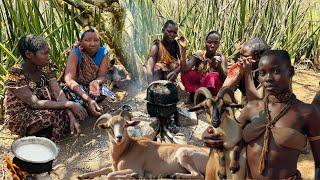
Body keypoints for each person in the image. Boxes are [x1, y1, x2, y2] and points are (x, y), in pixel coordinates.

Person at [203, 50, 320, 179]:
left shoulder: (307, 112)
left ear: (291, 71)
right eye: (262, 73)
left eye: (276, 71)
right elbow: (230, 136)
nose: (268, 78)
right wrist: (208, 136)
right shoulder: (251, 108)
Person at [4, 34, 87, 141]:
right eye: (45, 53)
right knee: (52, 115)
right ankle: (36, 135)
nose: (49, 56)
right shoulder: (15, 73)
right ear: (29, 54)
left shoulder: (45, 66)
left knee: (69, 100)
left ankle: (49, 130)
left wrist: (70, 113)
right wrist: (70, 105)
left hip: (43, 106)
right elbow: (35, 103)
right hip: (22, 115)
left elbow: (57, 92)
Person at [63, 26, 112, 117]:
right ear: (81, 42)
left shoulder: (103, 52)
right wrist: (87, 98)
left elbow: (102, 76)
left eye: (96, 40)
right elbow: (69, 80)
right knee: (69, 93)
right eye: (88, 40)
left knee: (107, 91)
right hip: (78, 89)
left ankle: (90, 105)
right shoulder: (75, 53)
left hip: (92, 87)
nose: (92, 44)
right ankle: (89, 105)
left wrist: (96, 82)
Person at [180, 31, 228, 101]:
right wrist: (183, 50)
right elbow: (184, 69)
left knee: (212, 76)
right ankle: (196, 93)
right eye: (209, 42)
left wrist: (219, 66)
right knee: (186, 74)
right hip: (200, 84)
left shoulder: (221, 57)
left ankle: (203, 97)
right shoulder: (199, 54)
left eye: (215, 43)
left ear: (219, 44)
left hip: (213, 89)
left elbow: (225, 79)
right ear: (205, 43)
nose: (212, 45)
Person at [223, 38, 270, 102]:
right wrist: (240, 72)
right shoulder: (239, 66)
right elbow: (224, 91)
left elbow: (256, 101)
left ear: (257, 58)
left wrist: (247, 73)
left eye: (245, 56)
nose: (241, 59)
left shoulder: (268, 72)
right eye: (240, 55)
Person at [146, 20, 182, 84]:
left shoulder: (177, 45)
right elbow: (149, 67)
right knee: (158, 66)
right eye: (169, 31)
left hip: (171, 77)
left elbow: (183, 64)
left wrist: (176, 72)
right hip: (157, 78)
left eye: (174, 33)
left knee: (175, 65)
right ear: (163, 30)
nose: (172, 34)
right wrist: (150, 85)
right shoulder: (156, 46)